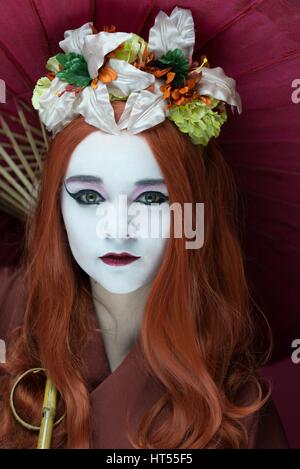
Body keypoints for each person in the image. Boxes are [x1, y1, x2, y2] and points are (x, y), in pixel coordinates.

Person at [0, 99, 289, 448]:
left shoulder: (238, 405)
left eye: (151, 199)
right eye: (90, 196)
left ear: (189, 214)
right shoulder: (11, 322)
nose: (119, 230)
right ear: (57, 204)